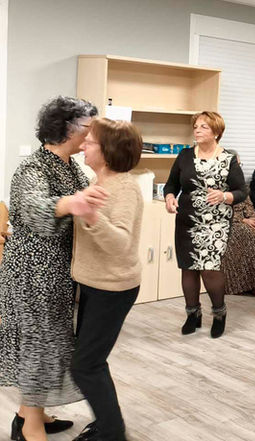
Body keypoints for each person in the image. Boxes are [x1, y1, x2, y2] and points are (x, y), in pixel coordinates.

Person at [0, 96, 105, 441]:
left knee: (51, 345)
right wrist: (71, 203)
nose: (91, 136)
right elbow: (33, 208)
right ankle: (28, 429)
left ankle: (30, 415)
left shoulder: (71, 167)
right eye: (88, 128)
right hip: (31, 273)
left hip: (57, 272)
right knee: (38, 347)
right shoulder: (33, 167)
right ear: (68, 129)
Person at [70, 118, 146, 441]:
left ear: (108, 150)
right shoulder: (97, 180)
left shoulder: (125, 188)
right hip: (93, 284)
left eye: (89, 142)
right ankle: (107, 423)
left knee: (85, 365)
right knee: (92, 362)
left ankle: (112, 432)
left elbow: (121, 243)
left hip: (113, 288)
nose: (83, 146)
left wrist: (90, 215)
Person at [164, 111, 247, 339]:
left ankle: (219, 314)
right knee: (189, 268)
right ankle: (193, 315)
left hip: (216, 223)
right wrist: (169, 197)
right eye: (196, 126)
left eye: (204, 127)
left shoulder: (228, 159)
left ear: (216, 132)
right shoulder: (184, 155)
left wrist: (224, 196)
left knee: (210, 269)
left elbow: (241, 191)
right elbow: (171, 184)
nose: (197, 130)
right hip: (187, 220)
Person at [222, 153, 255, 298]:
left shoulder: (240, 185)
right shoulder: (217, 186)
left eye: (239, 164)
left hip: (245, 221)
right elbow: (218, 211)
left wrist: (253, 218)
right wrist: (242, 220)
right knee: (251, 239)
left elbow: (249, 205)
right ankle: (253, 284)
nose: (238, 167)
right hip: (228, 223)